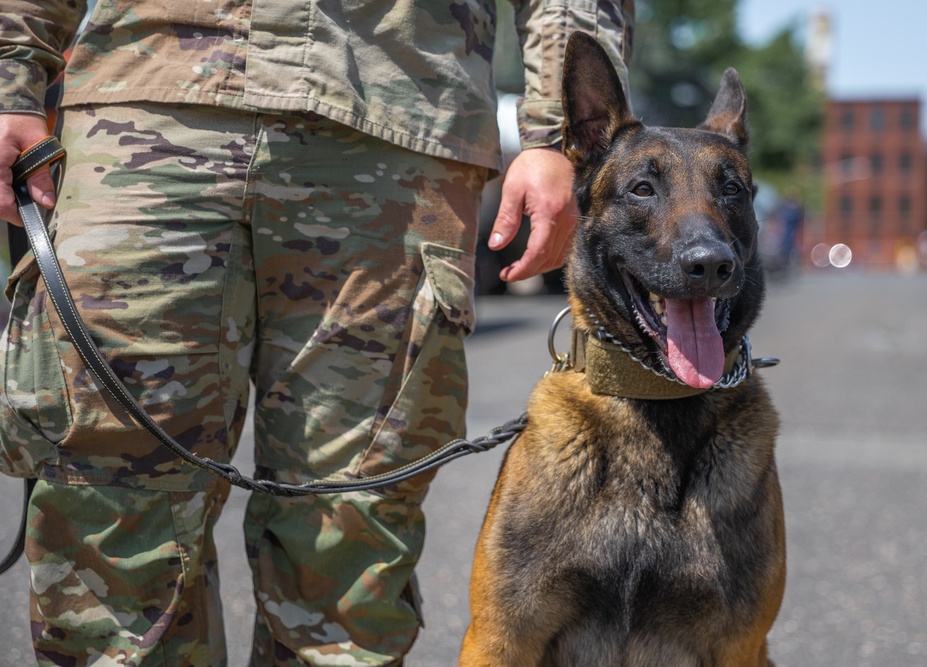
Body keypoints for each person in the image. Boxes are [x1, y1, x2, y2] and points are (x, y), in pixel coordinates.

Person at [0, 1, 633, 665]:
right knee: (107, 513)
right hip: (148, 105)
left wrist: (560, 136)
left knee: (350, 542)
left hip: (393, 117)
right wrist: (12, 74)